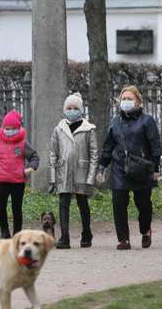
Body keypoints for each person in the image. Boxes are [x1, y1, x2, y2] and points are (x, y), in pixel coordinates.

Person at [96, 85, 162, 250]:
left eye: (129, 99)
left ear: (138, 101)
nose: (126, 102)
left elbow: (155, 146)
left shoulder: (147, 120)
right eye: (123, 99)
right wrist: (101, 168)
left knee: (144, 204)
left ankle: (145, 230)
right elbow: (108, 146)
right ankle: (123, 239)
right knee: (119, 203)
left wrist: (155, 169)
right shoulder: (115, 122)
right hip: (120, 168)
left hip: (141, 168)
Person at [48, 92, 99, 249]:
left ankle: (86, 233)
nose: (71, 110)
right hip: (63, 172)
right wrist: (52, 178)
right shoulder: (59, 129)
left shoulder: (89, 129)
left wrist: (91, 178)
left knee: (82, 203)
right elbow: (53, 154)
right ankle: (65, 237)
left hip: (81, 172)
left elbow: (94, 154)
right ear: (64, 109)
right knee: (63, 204)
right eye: (68, 108)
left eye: (75, 108)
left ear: (81, 109)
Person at [0, 110, 39, 239]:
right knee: (0, 207)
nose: (9, 131)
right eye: (6, 128)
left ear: (18, 128)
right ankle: (4, 232)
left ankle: (17, 234)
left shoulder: (23, 144)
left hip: (18, 182)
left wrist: (31, 168)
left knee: (16, 208)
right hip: (3, 181)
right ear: (3, 128)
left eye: (12, 128)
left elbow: (35, 157)